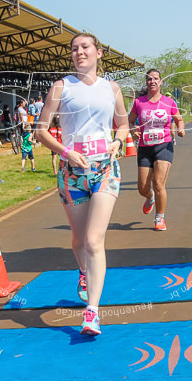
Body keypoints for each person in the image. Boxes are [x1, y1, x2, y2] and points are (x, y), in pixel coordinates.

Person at [35, 31, 129, 336]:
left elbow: (124, 124)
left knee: (93, 240)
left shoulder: (111, 88)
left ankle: (92, 312)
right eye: (74, 49)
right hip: (72, 172)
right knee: (78, 240)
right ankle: (84, 273)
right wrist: (66, 151)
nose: (79, 52)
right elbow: (40, 130)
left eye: (85, 47)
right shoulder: (62, 87)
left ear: (98, 53)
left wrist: (117, 141)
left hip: (104, 170)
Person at [128, 69, 185, 231]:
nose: (152, 81)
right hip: (145, 148)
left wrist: (181, 129)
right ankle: (150, 197)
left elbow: (179, 119)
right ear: (146, 83)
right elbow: (130, 121)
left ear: (160, 82)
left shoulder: (169, 102)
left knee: (159, 183)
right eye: (149, 79)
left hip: (164, 146)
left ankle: (160, 217)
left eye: (155, 79)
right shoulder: (139, 102)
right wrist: (133, 130)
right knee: (143, 188)